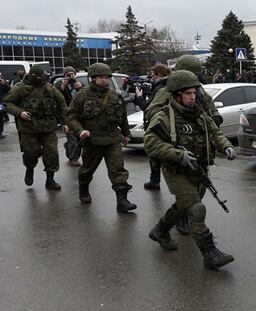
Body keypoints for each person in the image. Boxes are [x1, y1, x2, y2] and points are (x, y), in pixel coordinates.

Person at [144, 70, 237, 270]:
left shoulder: (199, 114)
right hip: (176, 170)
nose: (192, 97)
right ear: (177, 95)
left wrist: (226, 146)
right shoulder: (164, 116)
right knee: (196, 208)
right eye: (187, 94)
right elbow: (150, 143)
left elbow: (214, 133)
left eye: (194, 93)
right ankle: (210, 254)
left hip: (198, 169)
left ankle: (160, 231)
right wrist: (179, 155)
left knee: (183, 206)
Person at [145, 54, 224, 235]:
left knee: (199, 191)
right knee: (191, 199)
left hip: (199, 148)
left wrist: (204, 104)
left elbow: (214, 116)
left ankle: (162, 229)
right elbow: (153, 114)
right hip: (177, 147)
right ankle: (184, 220)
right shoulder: (168, 91)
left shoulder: (200, 93)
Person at [65, 63, 136, 213]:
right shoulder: (82, 95)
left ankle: (122, 200)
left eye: (106, 77)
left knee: (118, 169)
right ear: (93, 78)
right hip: (92, 139)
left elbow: (122, 116)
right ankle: (83, 188)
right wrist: (80, 130)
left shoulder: (115, 95)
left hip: (112, 138)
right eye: (101, 77)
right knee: (87, 170)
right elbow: (71, 116)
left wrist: (126, 134)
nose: (104, 80)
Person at [4, 65, 67, 190]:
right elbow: (8, 103)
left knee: (52, 153)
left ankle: (50, 179)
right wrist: (19, 112)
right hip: (28, 127)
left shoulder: (49, 88)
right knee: (31, 153)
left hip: (48, 126)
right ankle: (29, 168)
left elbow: (62, 105)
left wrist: (66, 122)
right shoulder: (20, 88)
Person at [135, 64, 171, 192]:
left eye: (153, 75)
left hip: (157, 124)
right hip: (164, 123)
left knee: (154, 153)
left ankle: (155, 181)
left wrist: (139, 96)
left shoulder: (160, 88)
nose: (151, 78)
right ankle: (155, 180)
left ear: (159, 75)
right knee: (158, 153)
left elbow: (147, 107)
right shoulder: (168, 85)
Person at [55, 66, 83, 166]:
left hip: (79, 116)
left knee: (80, 139)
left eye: (72, 74)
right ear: (64, 75)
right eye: (68, 74)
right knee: (72, 138)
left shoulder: (77, 83)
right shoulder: (60, 84)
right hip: (67, 116)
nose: (71, 76)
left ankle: (70, 149)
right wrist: (63, 86)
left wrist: (80, 87)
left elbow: (85, 95)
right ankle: (73, 158)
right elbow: (57, 101)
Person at [0, 73, 11, 138]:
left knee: (0, 119)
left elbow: (9, 90)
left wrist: (5, 84)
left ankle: (0, 133)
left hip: (0, 103)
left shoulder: (3, 84)